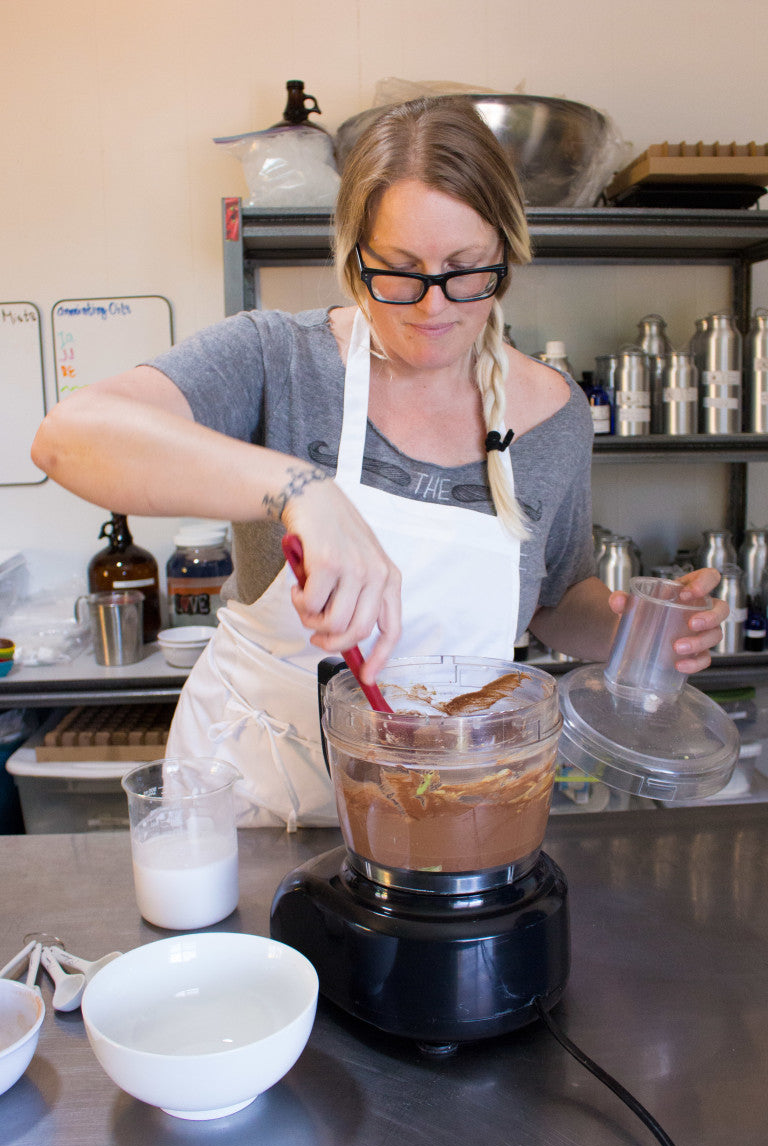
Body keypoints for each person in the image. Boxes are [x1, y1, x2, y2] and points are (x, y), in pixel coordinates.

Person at [32, 97, 727, 830]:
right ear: (353, 255)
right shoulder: (279, 360)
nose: (432, 306)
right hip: (253, 805)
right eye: (399, 271)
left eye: (465, 271)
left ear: (506, 253)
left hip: (439, 812)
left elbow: (557, 599)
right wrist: (303, 490)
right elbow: (69, 436)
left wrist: (631, 632)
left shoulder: (551, 416)